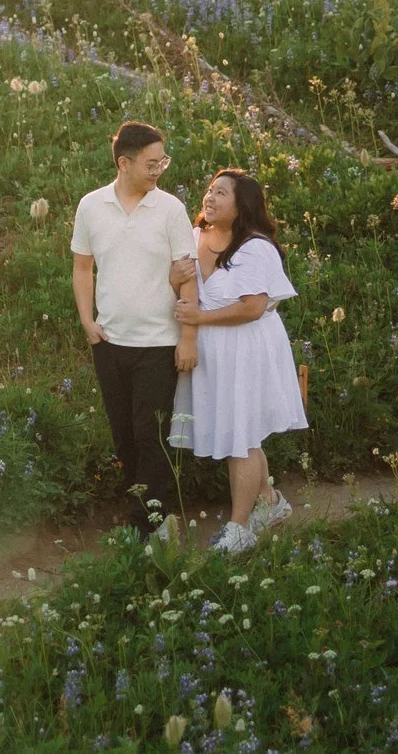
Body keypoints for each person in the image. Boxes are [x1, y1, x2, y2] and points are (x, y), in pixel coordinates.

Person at [168, 167, 305, 554]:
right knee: (240, 431)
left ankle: (239, 527)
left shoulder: (255, 247)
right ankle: (272, 504)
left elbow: (253, 307)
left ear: (242, 205)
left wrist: (199, 320)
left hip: (247, 348)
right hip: (214, 351)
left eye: (221, 193)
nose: (210, 198)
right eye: (210, 190)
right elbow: (182, 288)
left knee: (240, 437)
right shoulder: (195, 237)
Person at [70, 120, 197, 538]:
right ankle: (143, 509)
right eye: (151, 163)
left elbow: (188, 275)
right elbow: (83, 267)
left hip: (158, 343)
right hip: (109, 341)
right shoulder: (91, 206)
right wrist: (88, 322)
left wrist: (188, 338)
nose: (159, 169)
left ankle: (148, 526)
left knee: (150, 433)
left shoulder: (171, 209)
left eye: (163, 161)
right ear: (124, 163)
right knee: (123, 434)